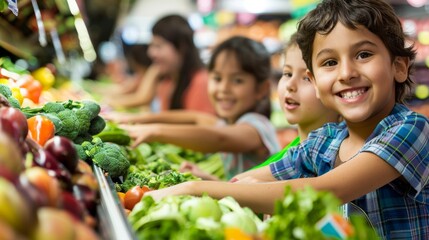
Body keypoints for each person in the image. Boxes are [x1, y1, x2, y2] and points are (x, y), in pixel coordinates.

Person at [144, 0, 429, 238]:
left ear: (399, 67)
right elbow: (251, 180)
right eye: (330, 62)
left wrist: (195, 188)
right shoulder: (324, 141)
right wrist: (206, 187)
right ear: (315, 83)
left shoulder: (411, 130)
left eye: (363, 54)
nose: (346, 73)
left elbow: (329, 190)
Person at [119, 36, 281, 180]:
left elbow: (220, 139)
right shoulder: (227, 124)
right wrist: (135, 119)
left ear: (261, 89)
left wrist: (155, 131)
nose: (224, 88)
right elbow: (194, 117)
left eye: (237, 80)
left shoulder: (257, 127)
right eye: (217, 78)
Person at [247, 33, 339, 171]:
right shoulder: (295, 149)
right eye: (287, 74)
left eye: (307, 78)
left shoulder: (332, 155)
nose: (290, 85)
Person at [106, 14, 215, 114]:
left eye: (158, 46)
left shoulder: (200, 81)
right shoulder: (167, 81)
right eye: (152, 46)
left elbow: (198, 127)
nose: (151, 52)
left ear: (182, 47)